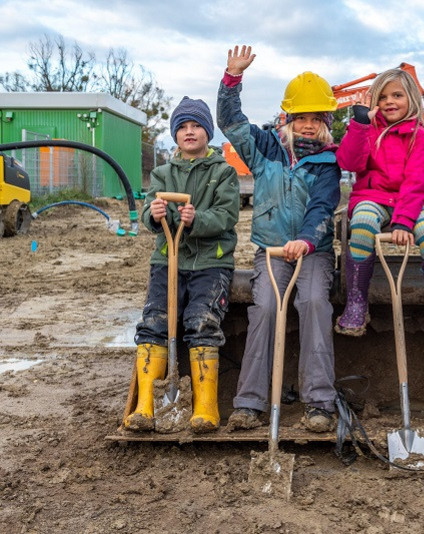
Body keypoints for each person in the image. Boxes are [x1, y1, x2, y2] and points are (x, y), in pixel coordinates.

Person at [217, 45, 341, 433]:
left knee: (315, 303)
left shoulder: (328, 162)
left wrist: (305, 240)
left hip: (314, 253)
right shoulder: (265, 147)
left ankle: (319, 402)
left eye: (315, 118)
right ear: (287, 118)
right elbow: (230, 122)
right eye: (300, 117)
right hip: (270, 251)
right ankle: (249, 403)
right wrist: (231, 80)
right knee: (266, 308)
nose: (307, 125)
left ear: (324, 122)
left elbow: (323, 207)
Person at [125, 96, 240, 434]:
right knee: (154, 322)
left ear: (208, 132)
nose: (190, 132)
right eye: (183, 127)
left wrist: (197, 218)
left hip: (210, 262)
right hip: (167, 259)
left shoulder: (223, 172)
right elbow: (149, 212)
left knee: (201, 322)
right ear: (175, 135)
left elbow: (227, 215)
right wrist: (153, 214)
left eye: (197, 126)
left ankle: (206, 408)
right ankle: (146, 404)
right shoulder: (162, 173)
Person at [335, 68, 424, 345]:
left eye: (397, 95)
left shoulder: (418, 136)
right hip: (372, 196)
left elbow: (418, 181)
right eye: (382, 97)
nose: (389, 102)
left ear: (411, 99)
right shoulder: (369, 131)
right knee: (361, 225)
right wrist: (358, 126)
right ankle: (357, 303)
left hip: (412, 200)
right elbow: (349, 163)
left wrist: (404, 222)